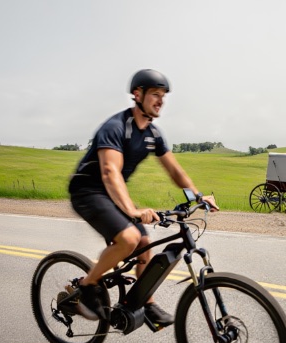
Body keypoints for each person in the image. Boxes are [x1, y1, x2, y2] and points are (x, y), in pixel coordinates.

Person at [68, 69, 219, 326]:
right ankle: (88, 284)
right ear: (137, 95)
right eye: (155, 95)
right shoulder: (116, 127)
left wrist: (197, 196)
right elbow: (109, 171)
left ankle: (145, 302)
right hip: (88, 191)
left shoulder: (153, 134)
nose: (160, 101)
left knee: (144, 243)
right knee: (130, 238)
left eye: (163, 96)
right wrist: (133, 210)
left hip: (113, 195)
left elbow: (175, 171)